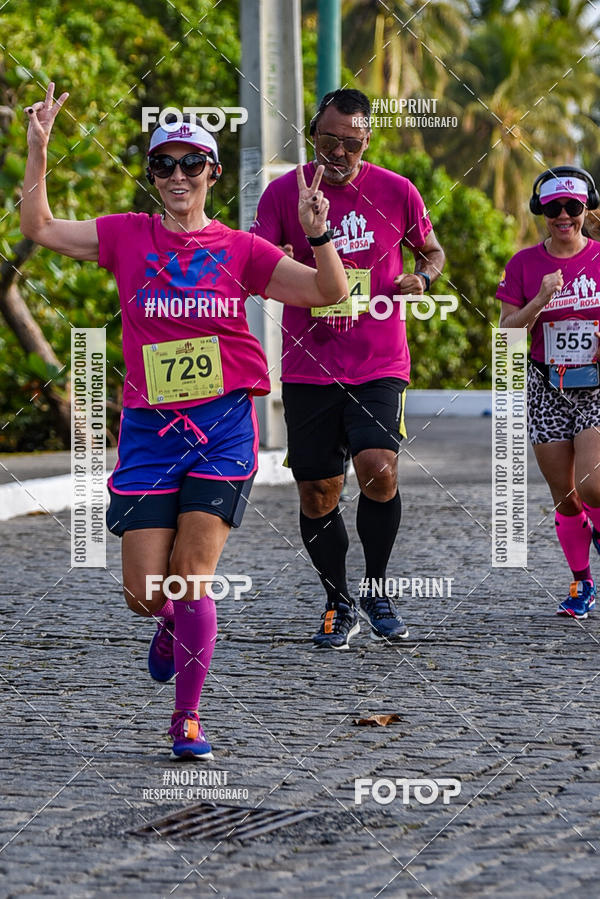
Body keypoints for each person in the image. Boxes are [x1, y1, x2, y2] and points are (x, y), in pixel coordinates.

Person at [21, 84, 348, 757]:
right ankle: (169, 621)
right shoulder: (125, 236)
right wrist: (38, 148)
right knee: (146, 592)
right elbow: (41, 229)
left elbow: (326, 291)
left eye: (190, 164)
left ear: (211, 173)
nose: (177, 176)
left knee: (192, 572)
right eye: (163, 165)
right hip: (148, 431)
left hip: (223, 428)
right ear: (152, 177)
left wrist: (318, 233)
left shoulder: (242, 250)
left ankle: (188, 717)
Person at [251, 89, 445, 648]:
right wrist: (312, 279)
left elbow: (430, 251)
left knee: (379, 467)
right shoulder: (284, 193)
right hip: (309, 364)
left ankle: (378, 589)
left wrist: (423, 278)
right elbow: (261, 262)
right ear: (313, 136)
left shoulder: (397, 190)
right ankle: (338, 600)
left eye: (351, 143)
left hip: (379, 359)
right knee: (317, 489)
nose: (338, 152)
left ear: (367, 141)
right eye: (327, 140)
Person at [498, 165, 600, 619]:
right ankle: (582, 584)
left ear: (585, 210)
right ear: (542, 211)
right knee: (565, 493)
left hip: (596, 385)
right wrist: (539, 301)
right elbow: (506, 335)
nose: (563, 216)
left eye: (572, 208)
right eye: (554, 208)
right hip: (547, 386)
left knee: (593, 486)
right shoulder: (523, 264)